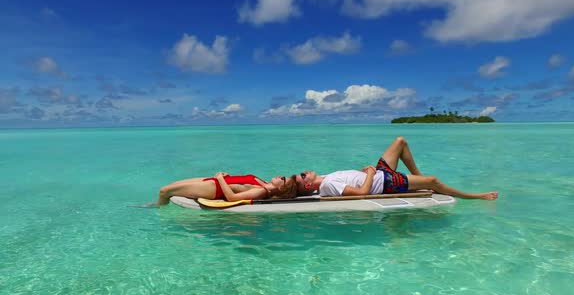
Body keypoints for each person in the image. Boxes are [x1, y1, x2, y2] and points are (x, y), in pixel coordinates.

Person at [295, 136, 498, 200]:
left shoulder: (323, 177)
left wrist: (365, 172)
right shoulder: (328, 185)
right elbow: (362, 194)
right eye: (303, 175)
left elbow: (352, 180)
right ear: (308, 184)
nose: (305, 171)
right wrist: (371, 174)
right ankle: (475, 196)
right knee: (434, 181)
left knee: (400, 141)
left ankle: (420, 179)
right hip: (386, 183)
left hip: (379, 175)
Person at [156, 172, 298, 206]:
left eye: (283, 179)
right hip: (212, 181)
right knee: (170, 186)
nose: (280, 176)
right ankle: (159, 204)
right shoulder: (264, 183)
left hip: (213, 188)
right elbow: (241, 182)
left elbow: (232, 198)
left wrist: (220, 179)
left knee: (165, 191)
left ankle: (159, 209)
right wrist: (226, 176)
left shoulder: (261, 191)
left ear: (281, 188)